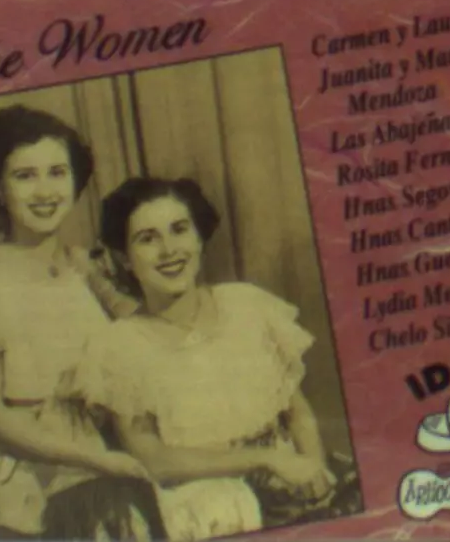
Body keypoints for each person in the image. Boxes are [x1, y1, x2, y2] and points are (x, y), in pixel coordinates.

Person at [0, 105, 167, 541]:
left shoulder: (82, 272)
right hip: (19, 498)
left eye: (57, 172)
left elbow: (151, 348)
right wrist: (98, 460)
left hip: (95, 480)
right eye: (25, 176)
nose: (45, 191)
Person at [75, 177, 353, 541]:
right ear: (126, 257)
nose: (169, 250)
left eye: (179, 230)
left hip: (287, 481)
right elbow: (153, 460)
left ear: (198, 238)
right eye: (147, 238)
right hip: (203, 502)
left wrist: (313, 468)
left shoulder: (248, 305)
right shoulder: (120, 346)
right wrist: (264, 460)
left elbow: (298, 413)